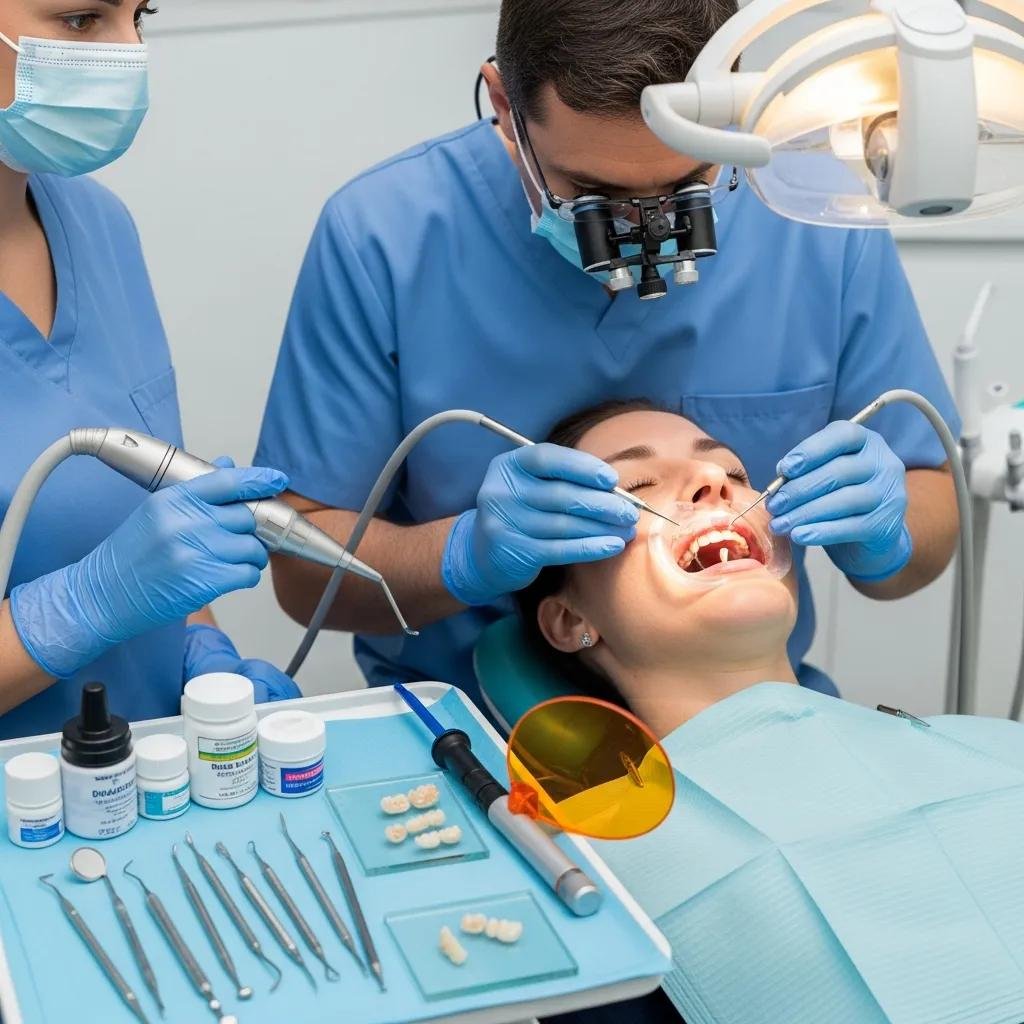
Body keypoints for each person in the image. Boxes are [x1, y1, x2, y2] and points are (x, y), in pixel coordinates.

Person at [256, 0, 959, 705]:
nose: (649, 232)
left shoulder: (816, 212)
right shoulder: (385, 236)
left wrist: (889, 534)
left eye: (689, 187)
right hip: (464, 728)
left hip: (770, 717)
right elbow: (304, 571)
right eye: (595, 195)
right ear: (504, 107)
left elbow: (929, 504)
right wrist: (462, 555)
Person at [518, 399, 1024, 1024]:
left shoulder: (992, 749)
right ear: (570, 620)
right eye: (638, 487)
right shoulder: (575, 869)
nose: (714, 482)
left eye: (736, 474)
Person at [0, 1, 298, 738]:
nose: (129, 53)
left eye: (141, 15)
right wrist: (80, 607)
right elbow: (113, 581)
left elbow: (136, 525)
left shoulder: (98, 224)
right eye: (81, 19)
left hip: (146, 774)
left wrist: (200, 644)